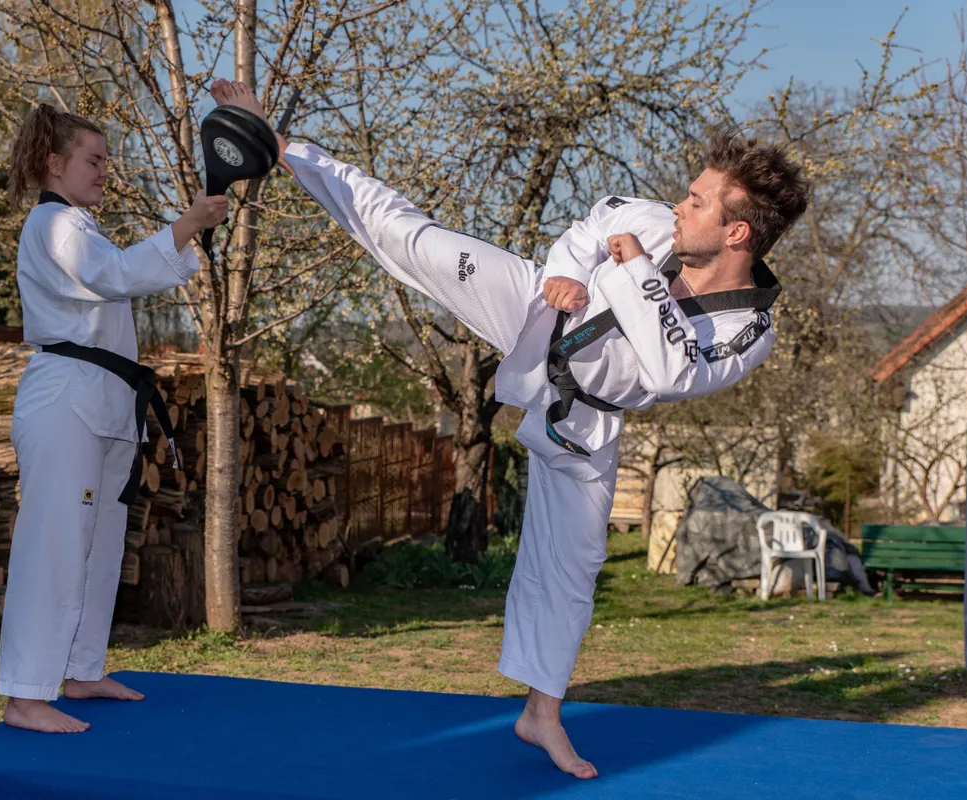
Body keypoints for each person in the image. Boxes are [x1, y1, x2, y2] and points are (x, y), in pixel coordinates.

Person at [208, 79, 810, 778]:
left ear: (737, 233)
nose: (680, 205)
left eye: (699, 202)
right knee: (410, 237)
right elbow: (592, 226)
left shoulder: (748, 328)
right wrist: (568, 274)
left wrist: (636, 269)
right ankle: (282, 144)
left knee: (572, 569)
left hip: (587, 416)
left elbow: (673, 371)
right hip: (534, 311)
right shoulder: (654, 224)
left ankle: (539, 714)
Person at [0, 103, 227, 734]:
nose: (105, 171)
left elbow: (121, 273)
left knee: (99, 546)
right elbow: (119, 274)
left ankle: (79, 671)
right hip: (65, 402)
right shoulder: (54, 224)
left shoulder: (80, 226)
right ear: (55, 163)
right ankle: (24, 695)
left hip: (102, 400)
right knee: (54, 546)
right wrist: (186, 223)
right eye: (93, 160)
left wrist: (189, 230)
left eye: (106, 160)